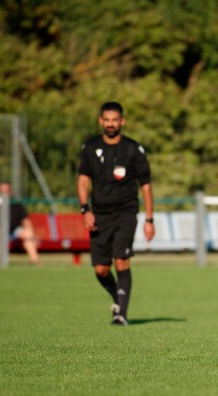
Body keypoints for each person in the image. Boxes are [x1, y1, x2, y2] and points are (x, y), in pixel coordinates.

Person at [77, 101, 155, 326]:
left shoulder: (133, 149)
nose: (111, 124)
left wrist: (149, 219)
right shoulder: (90, 148)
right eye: (107, 120)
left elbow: (146, 186)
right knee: (101, 270)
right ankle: (117, 295)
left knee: (121, 260)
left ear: (122, 121)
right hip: (99, 214)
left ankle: (121, 312)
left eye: (115, 120)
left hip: (125, 212)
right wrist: (85, 210)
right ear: (100, 121)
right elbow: (83, 181)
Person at [0, 183, 40, 266]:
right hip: (0, 231)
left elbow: (26, 220)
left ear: (10, 191)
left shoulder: (17, 204)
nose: (4, 192)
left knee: (28, 233)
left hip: (15, 231)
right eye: (2, 190)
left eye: (6, 190)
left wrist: (33, 235)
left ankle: (35, 260)